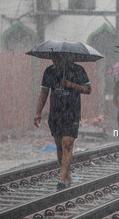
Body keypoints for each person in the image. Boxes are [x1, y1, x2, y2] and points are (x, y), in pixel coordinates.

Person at [34, 54, 91, 190]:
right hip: (56, 114)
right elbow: (44, 92)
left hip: (71, 113)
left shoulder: (78, 70)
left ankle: (62, 178)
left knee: (67, 144)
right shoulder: (49, 71)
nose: (54, 60)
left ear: (65, 57)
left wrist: (71, 85)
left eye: (57, 58)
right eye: (53, 58)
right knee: (59, 146)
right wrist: (38, 113)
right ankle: (67, 175)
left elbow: (88, 90)